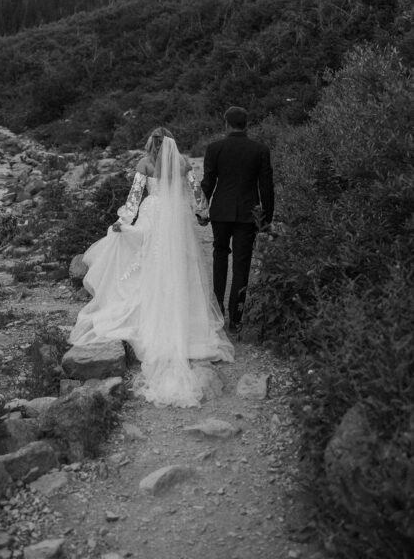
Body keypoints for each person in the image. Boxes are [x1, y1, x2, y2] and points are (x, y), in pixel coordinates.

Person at [69, 127, 233, 408]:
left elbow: (134, 199)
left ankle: (152, 313)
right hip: (176, 216)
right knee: (181, 264)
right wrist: (201, 211)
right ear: (170, 142)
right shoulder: (181, 162)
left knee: (149, 263)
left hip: (153, 214)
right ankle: (185, 318)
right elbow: (195, 191)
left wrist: (123, 221)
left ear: (150, 144)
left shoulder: (144, 163)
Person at [201, 106, 274, 334]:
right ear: (247, 124)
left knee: (220, 255)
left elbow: (208, 183)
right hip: (247, 214)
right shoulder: (260, 150)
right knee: (242, 263)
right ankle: (236, 318)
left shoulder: (215, 148)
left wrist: (201, 210)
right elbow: (266, 188)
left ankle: (218, 310)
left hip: (220, 211)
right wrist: (266, 219)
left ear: (226, 123)